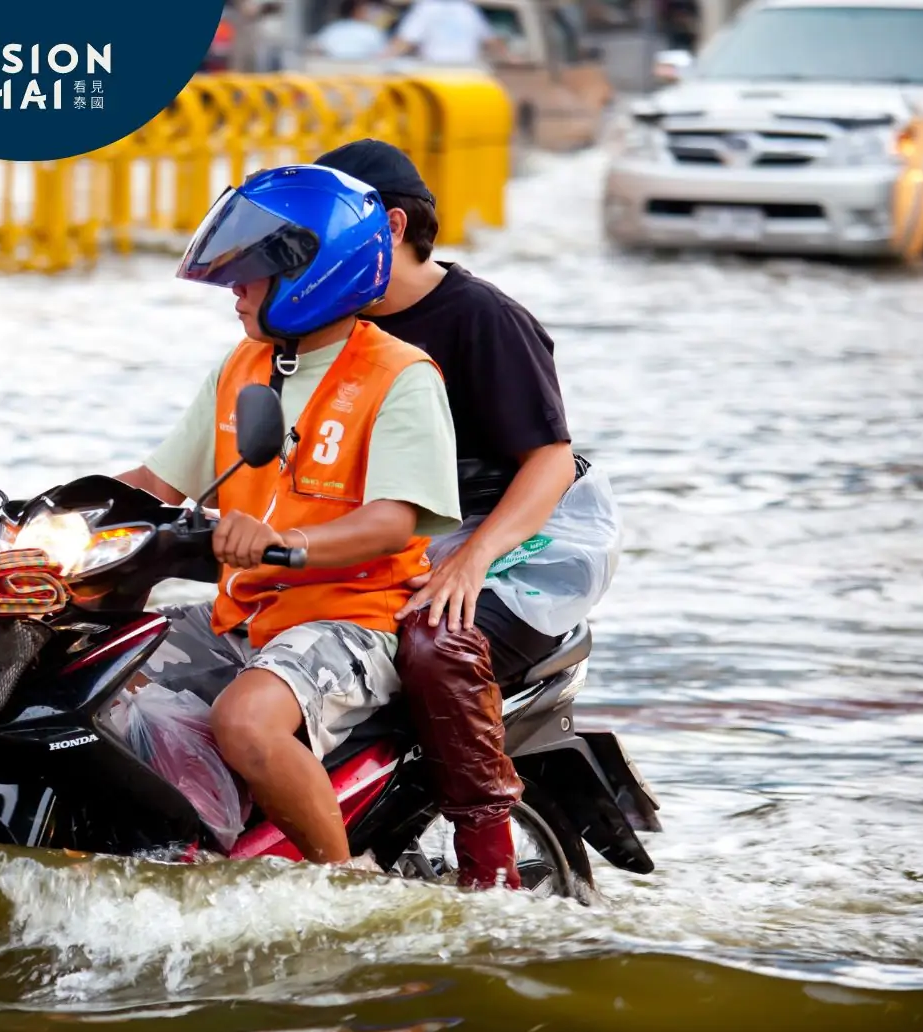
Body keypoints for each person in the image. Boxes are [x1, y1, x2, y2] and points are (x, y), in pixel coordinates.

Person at [114, 165, 462, 865]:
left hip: (351, 620)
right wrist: (31, 521)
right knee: (93, 679)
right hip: (239, 612)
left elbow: (395, 520)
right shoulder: (243, 363)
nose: (235, 292)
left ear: (314, 276)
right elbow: (157, 480)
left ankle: (338, 893)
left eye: (250, 275)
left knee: (244, 722)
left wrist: (284, 543)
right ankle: (190, 849)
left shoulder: (401, 375)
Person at [313, 138, 621, 888]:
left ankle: (489, 870)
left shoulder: (483, 318)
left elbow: (549, 460)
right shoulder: (326, 323)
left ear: (386, 226)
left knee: (434, 638)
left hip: (522, 541)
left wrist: (474, 555)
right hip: (399, 532)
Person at [388, 0, 504, 65]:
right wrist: (510, 59)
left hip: (437, 70)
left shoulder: (426, 7)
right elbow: (490, 40)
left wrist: (380, 60)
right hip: (468, 70)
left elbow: (404, 42)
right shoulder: (467, 8)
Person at [312, 0, 392, 61]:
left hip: (362, 75)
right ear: (355, 11)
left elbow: (316, 48)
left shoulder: (333, 27)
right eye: (367, 9)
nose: (372, 12)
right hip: (336, 75)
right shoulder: (372, 31)